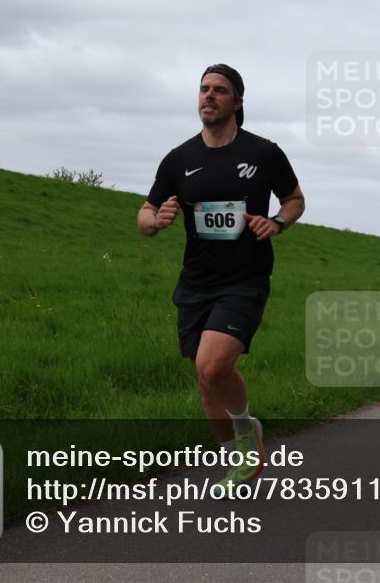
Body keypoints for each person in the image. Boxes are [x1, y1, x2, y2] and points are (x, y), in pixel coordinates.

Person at [138, 64, 305, 495]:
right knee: (204, 378)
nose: (209, 96)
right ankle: (240, 451)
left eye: (220, 91)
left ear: (238, 101)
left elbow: (294, 199)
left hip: (245, 279)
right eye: (203, 89)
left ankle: (247, 436)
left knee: (213, 365)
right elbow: (145, 211)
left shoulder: (264, 153)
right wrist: (154, 221)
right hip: (196, 281)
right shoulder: (179, 159)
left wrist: (278, 223)